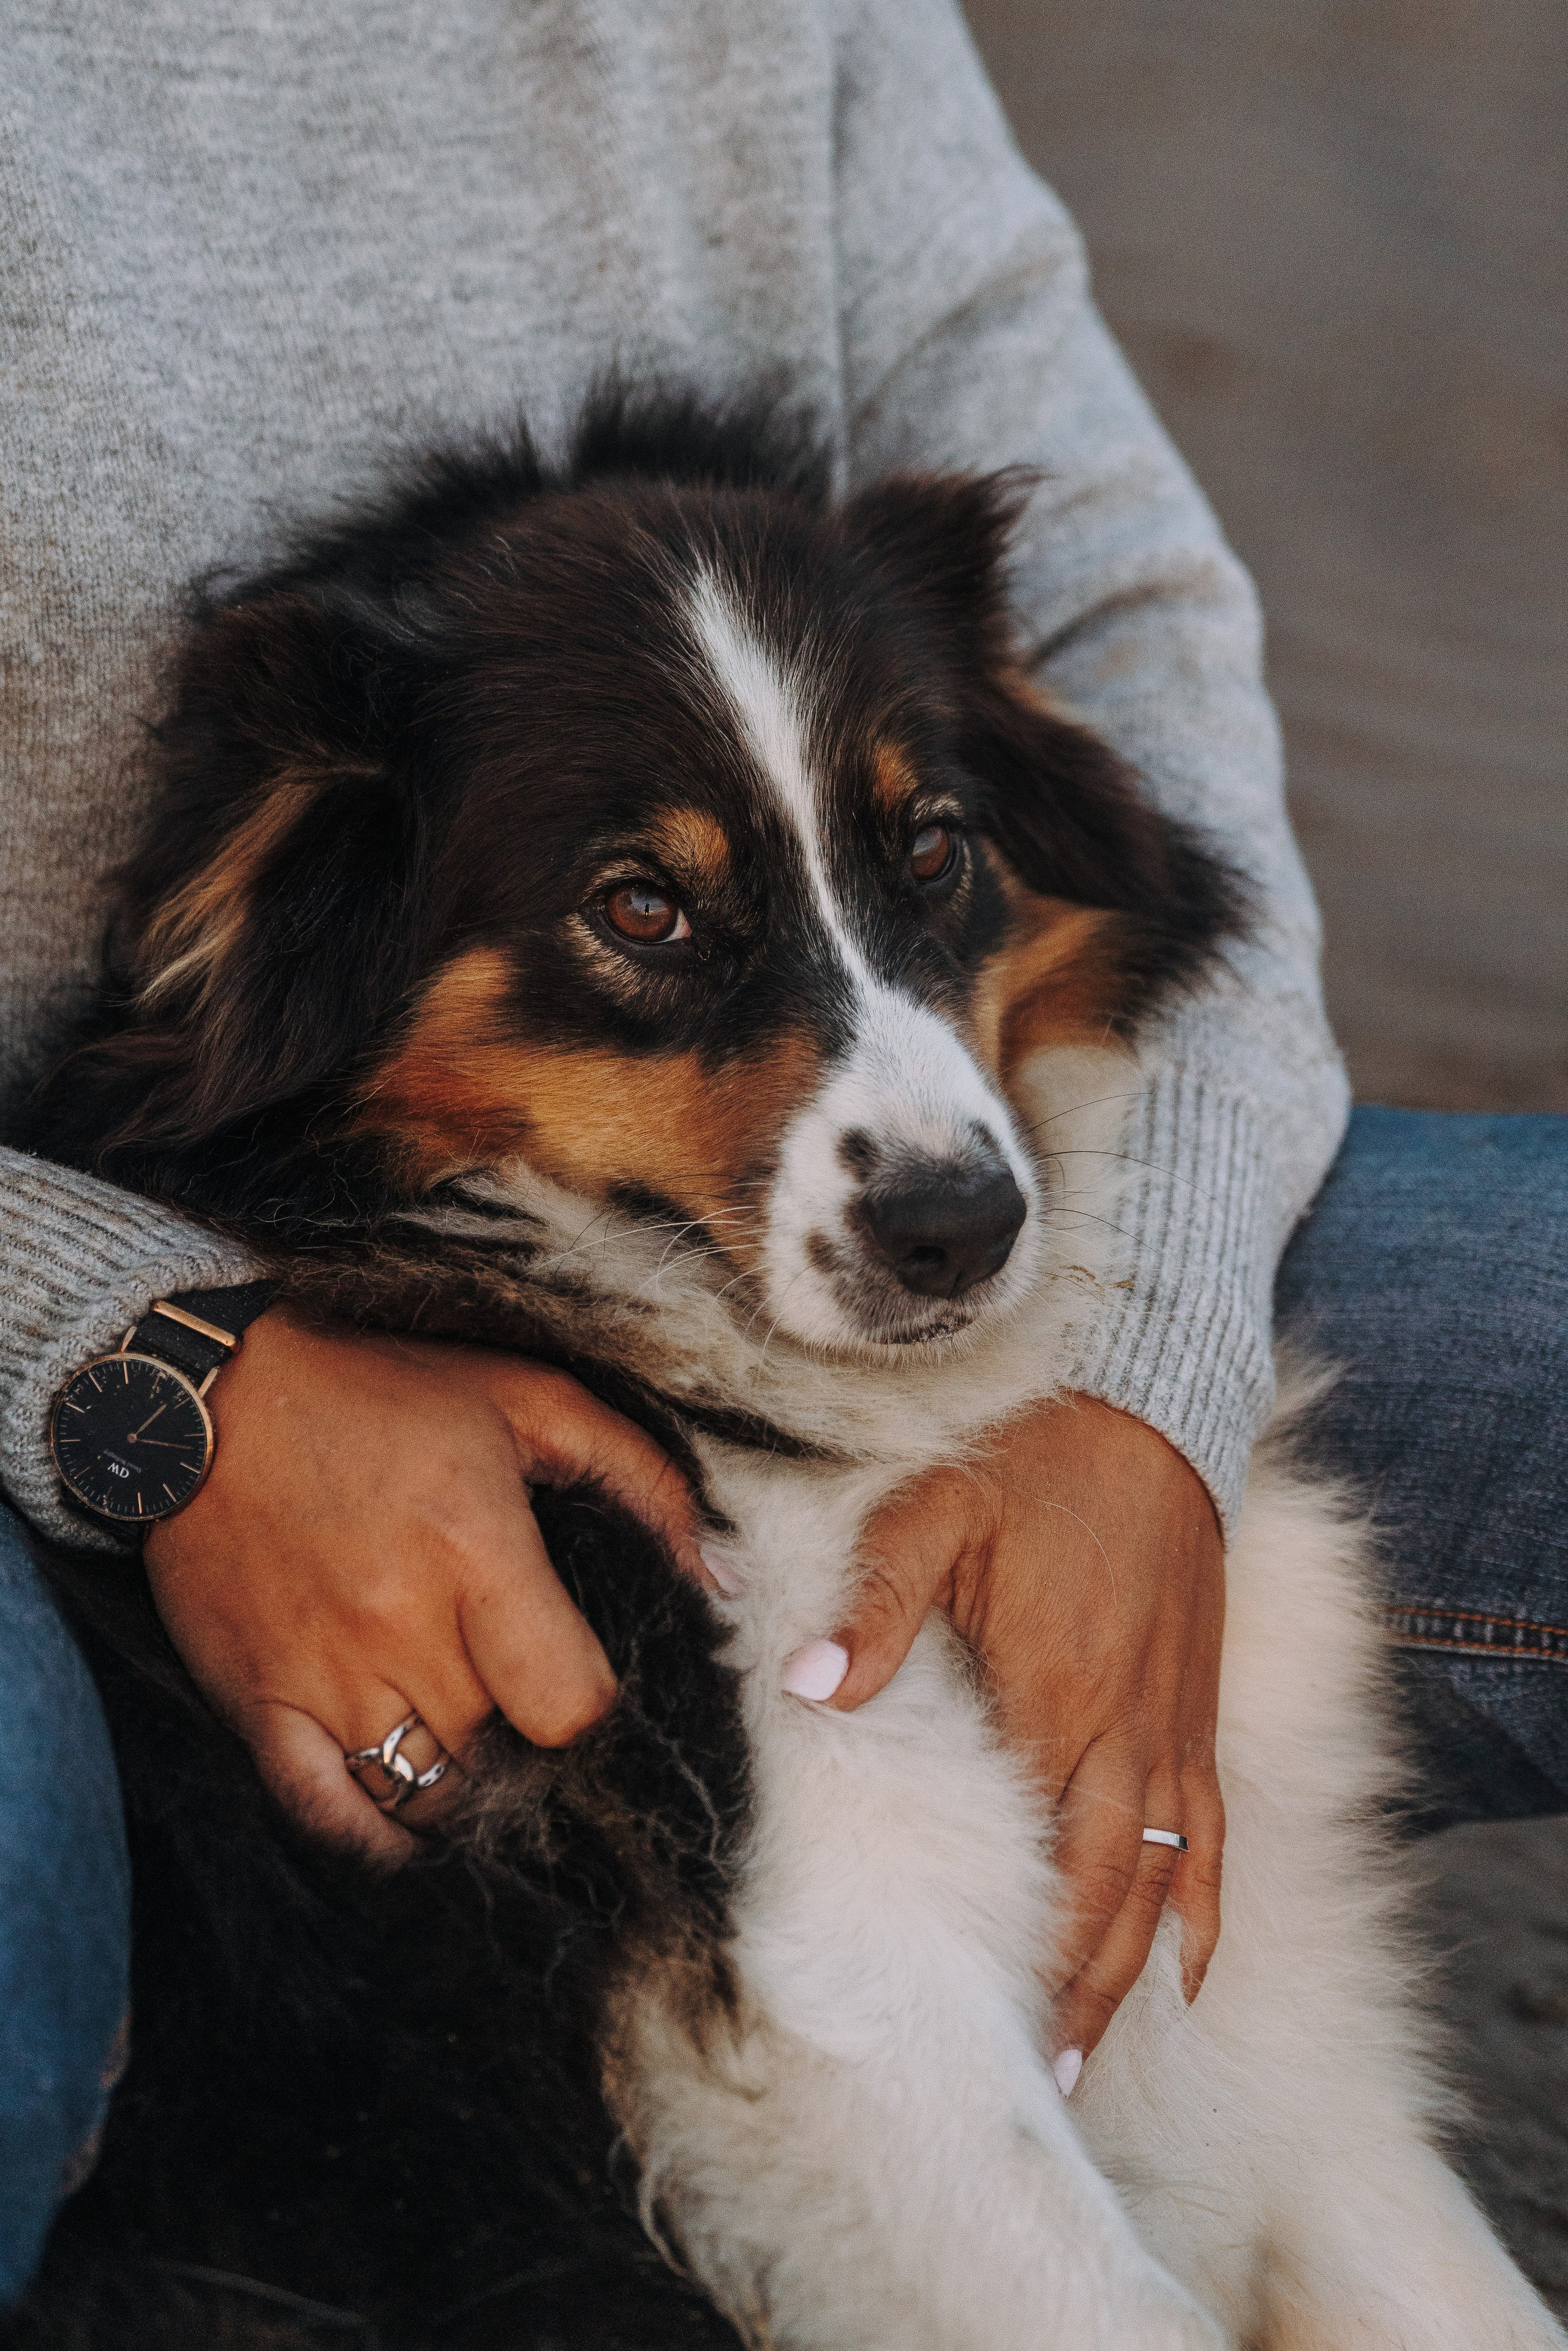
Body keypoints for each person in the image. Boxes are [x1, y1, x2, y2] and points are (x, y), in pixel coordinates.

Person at [1, 0, 1562, 2309]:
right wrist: (139, 1366)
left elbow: (1127, 649)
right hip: (194, 1284)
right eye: (655, 918)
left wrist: (1141, 1375)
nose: (898, 1116)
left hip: (803, 1281)